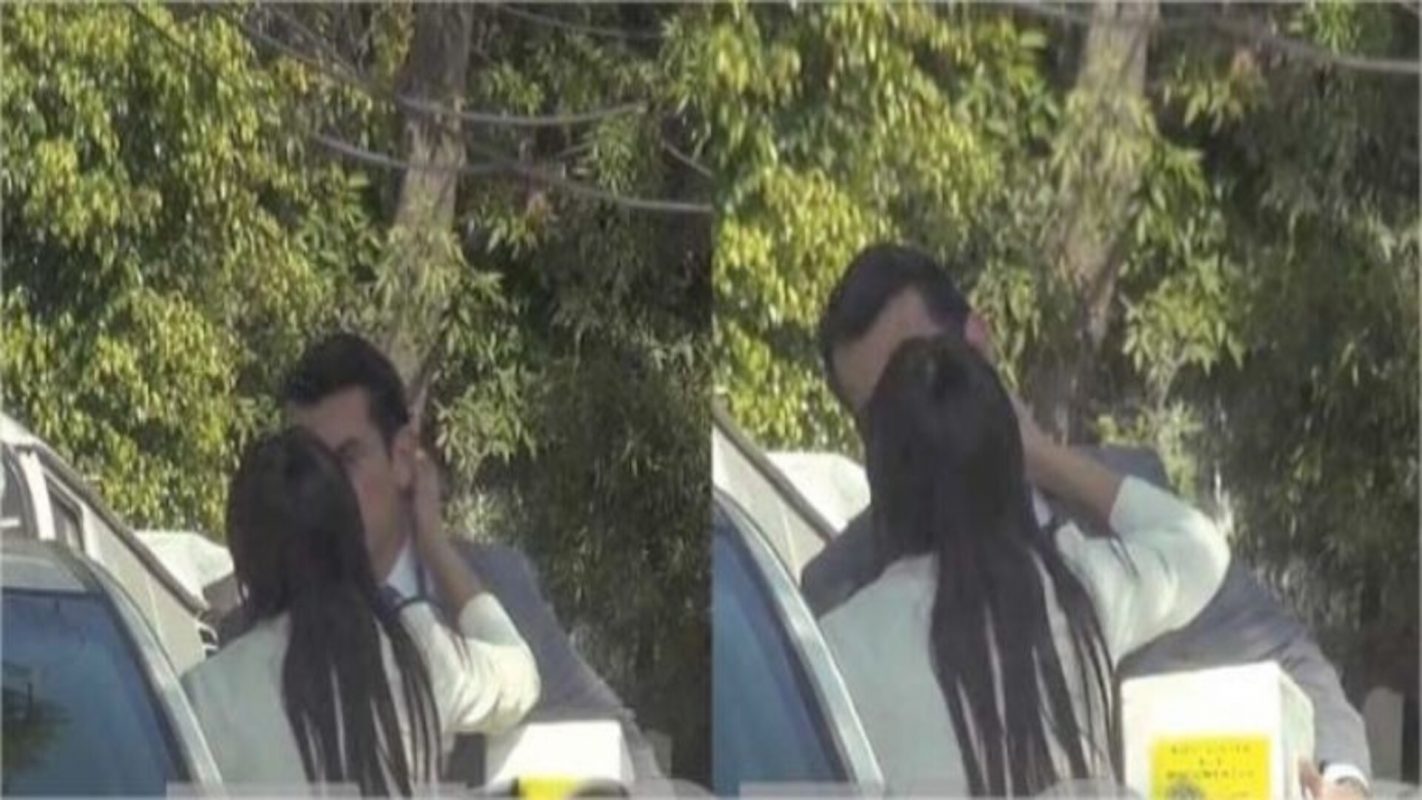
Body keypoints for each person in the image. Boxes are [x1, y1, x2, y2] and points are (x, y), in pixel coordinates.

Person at [802, 242, 1373, 797]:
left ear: (979, 340)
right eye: (884, 408)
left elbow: (1291, 661)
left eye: (932, 371)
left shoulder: (1122, 509)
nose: (919, 412)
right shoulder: (839, 589)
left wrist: (1343, 784)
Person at [820, 333, 1231, 795]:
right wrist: (1046, 457)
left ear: (883, 476)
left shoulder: (838, 647)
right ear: (1009, 462)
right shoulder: (1080, 587)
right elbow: (1200, 548)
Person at [266, 332, 665, 785]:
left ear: (402, 458)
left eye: (346, 461)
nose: (323, 489)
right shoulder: (256, 621)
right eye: (307, 468)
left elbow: (618, 743)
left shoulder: (497, 582)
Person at [182, 428, 540, 793]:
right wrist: (435, 543)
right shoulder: (419, 651)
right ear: (351, 535)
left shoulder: (203, 696)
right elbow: (521, 676)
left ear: (245, 560)